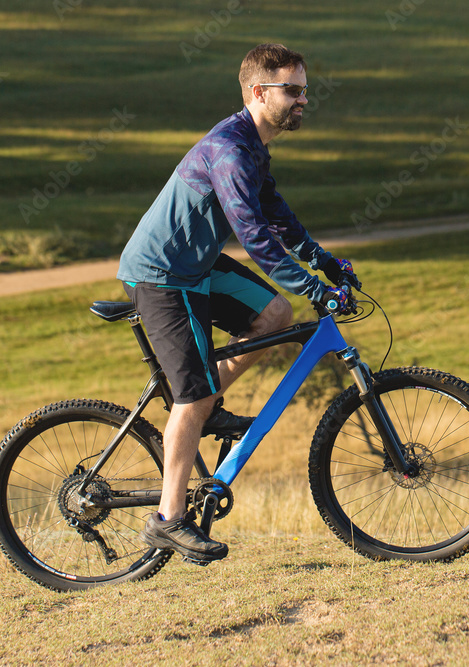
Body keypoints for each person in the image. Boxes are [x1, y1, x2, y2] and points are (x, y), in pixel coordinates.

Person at [117, 43, 358, 564]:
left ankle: (203, 408)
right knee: (192, 393)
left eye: (305, 90)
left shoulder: (253, 145)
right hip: (162, 276)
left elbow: (276, 213)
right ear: (258, 92)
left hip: (195, 267)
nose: (303, 101)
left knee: (275, 315)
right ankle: (168, 520)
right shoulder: (230, 150)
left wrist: (325, 260)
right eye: (292, 90)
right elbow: (254, 235)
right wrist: (314, 286)